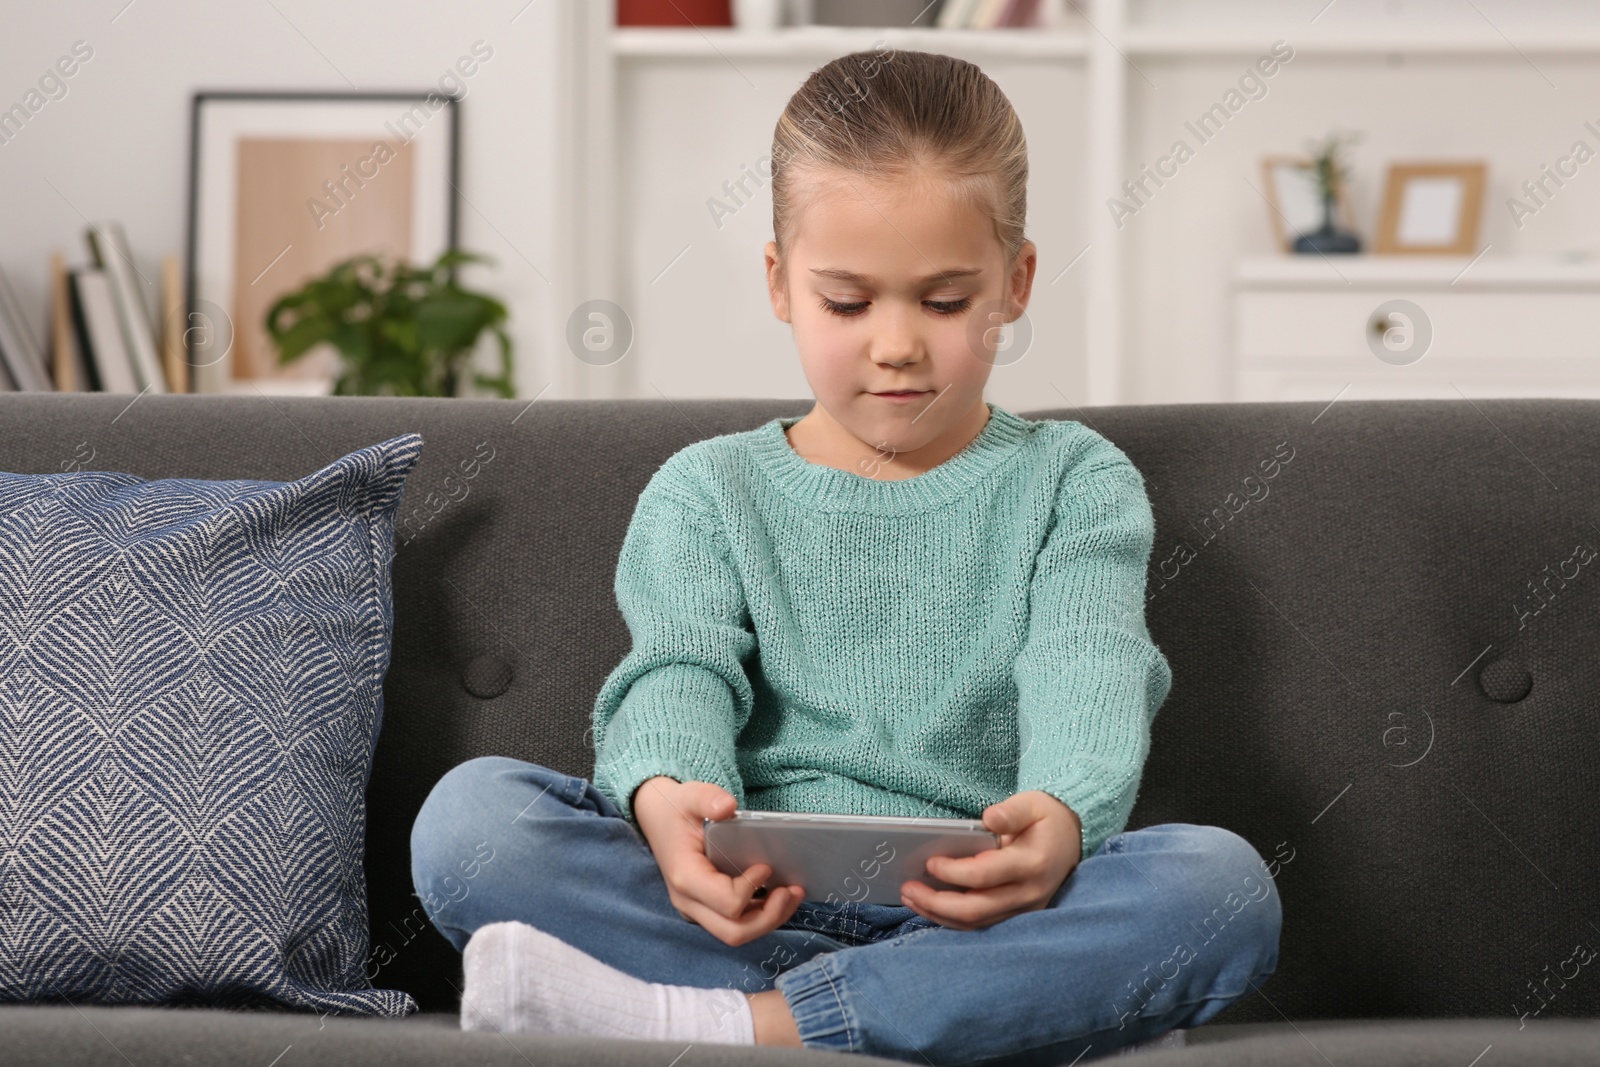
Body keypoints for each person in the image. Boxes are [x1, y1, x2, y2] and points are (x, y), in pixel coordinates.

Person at [410, 48, 1281, 1065]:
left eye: (946, 300)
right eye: (849, 300)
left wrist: (1059, 816)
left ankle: (750, 1029)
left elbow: (1088, 663)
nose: (897, 344)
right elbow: (675, 669)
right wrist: (667, 801)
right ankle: (964, 1019)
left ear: (1015, 283)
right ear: (781, 284)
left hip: (981, 916)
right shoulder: (707, 487)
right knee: (469, 821)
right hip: (745, 907)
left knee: (1219, 887)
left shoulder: (1074, 479)